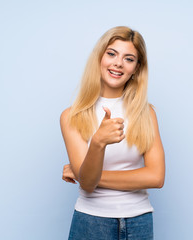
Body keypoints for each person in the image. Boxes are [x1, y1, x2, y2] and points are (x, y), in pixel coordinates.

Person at [60, 26, 165, 240]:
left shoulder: (147, 113)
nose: (118, 63)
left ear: (136, 68)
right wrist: (98, 142)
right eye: (111, 54)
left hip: (139, 221)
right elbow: (87, 185)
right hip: (91, 222)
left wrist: (81, 173)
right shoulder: (72, 116)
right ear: (99, 58)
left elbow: (156, 177)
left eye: (129, 59)